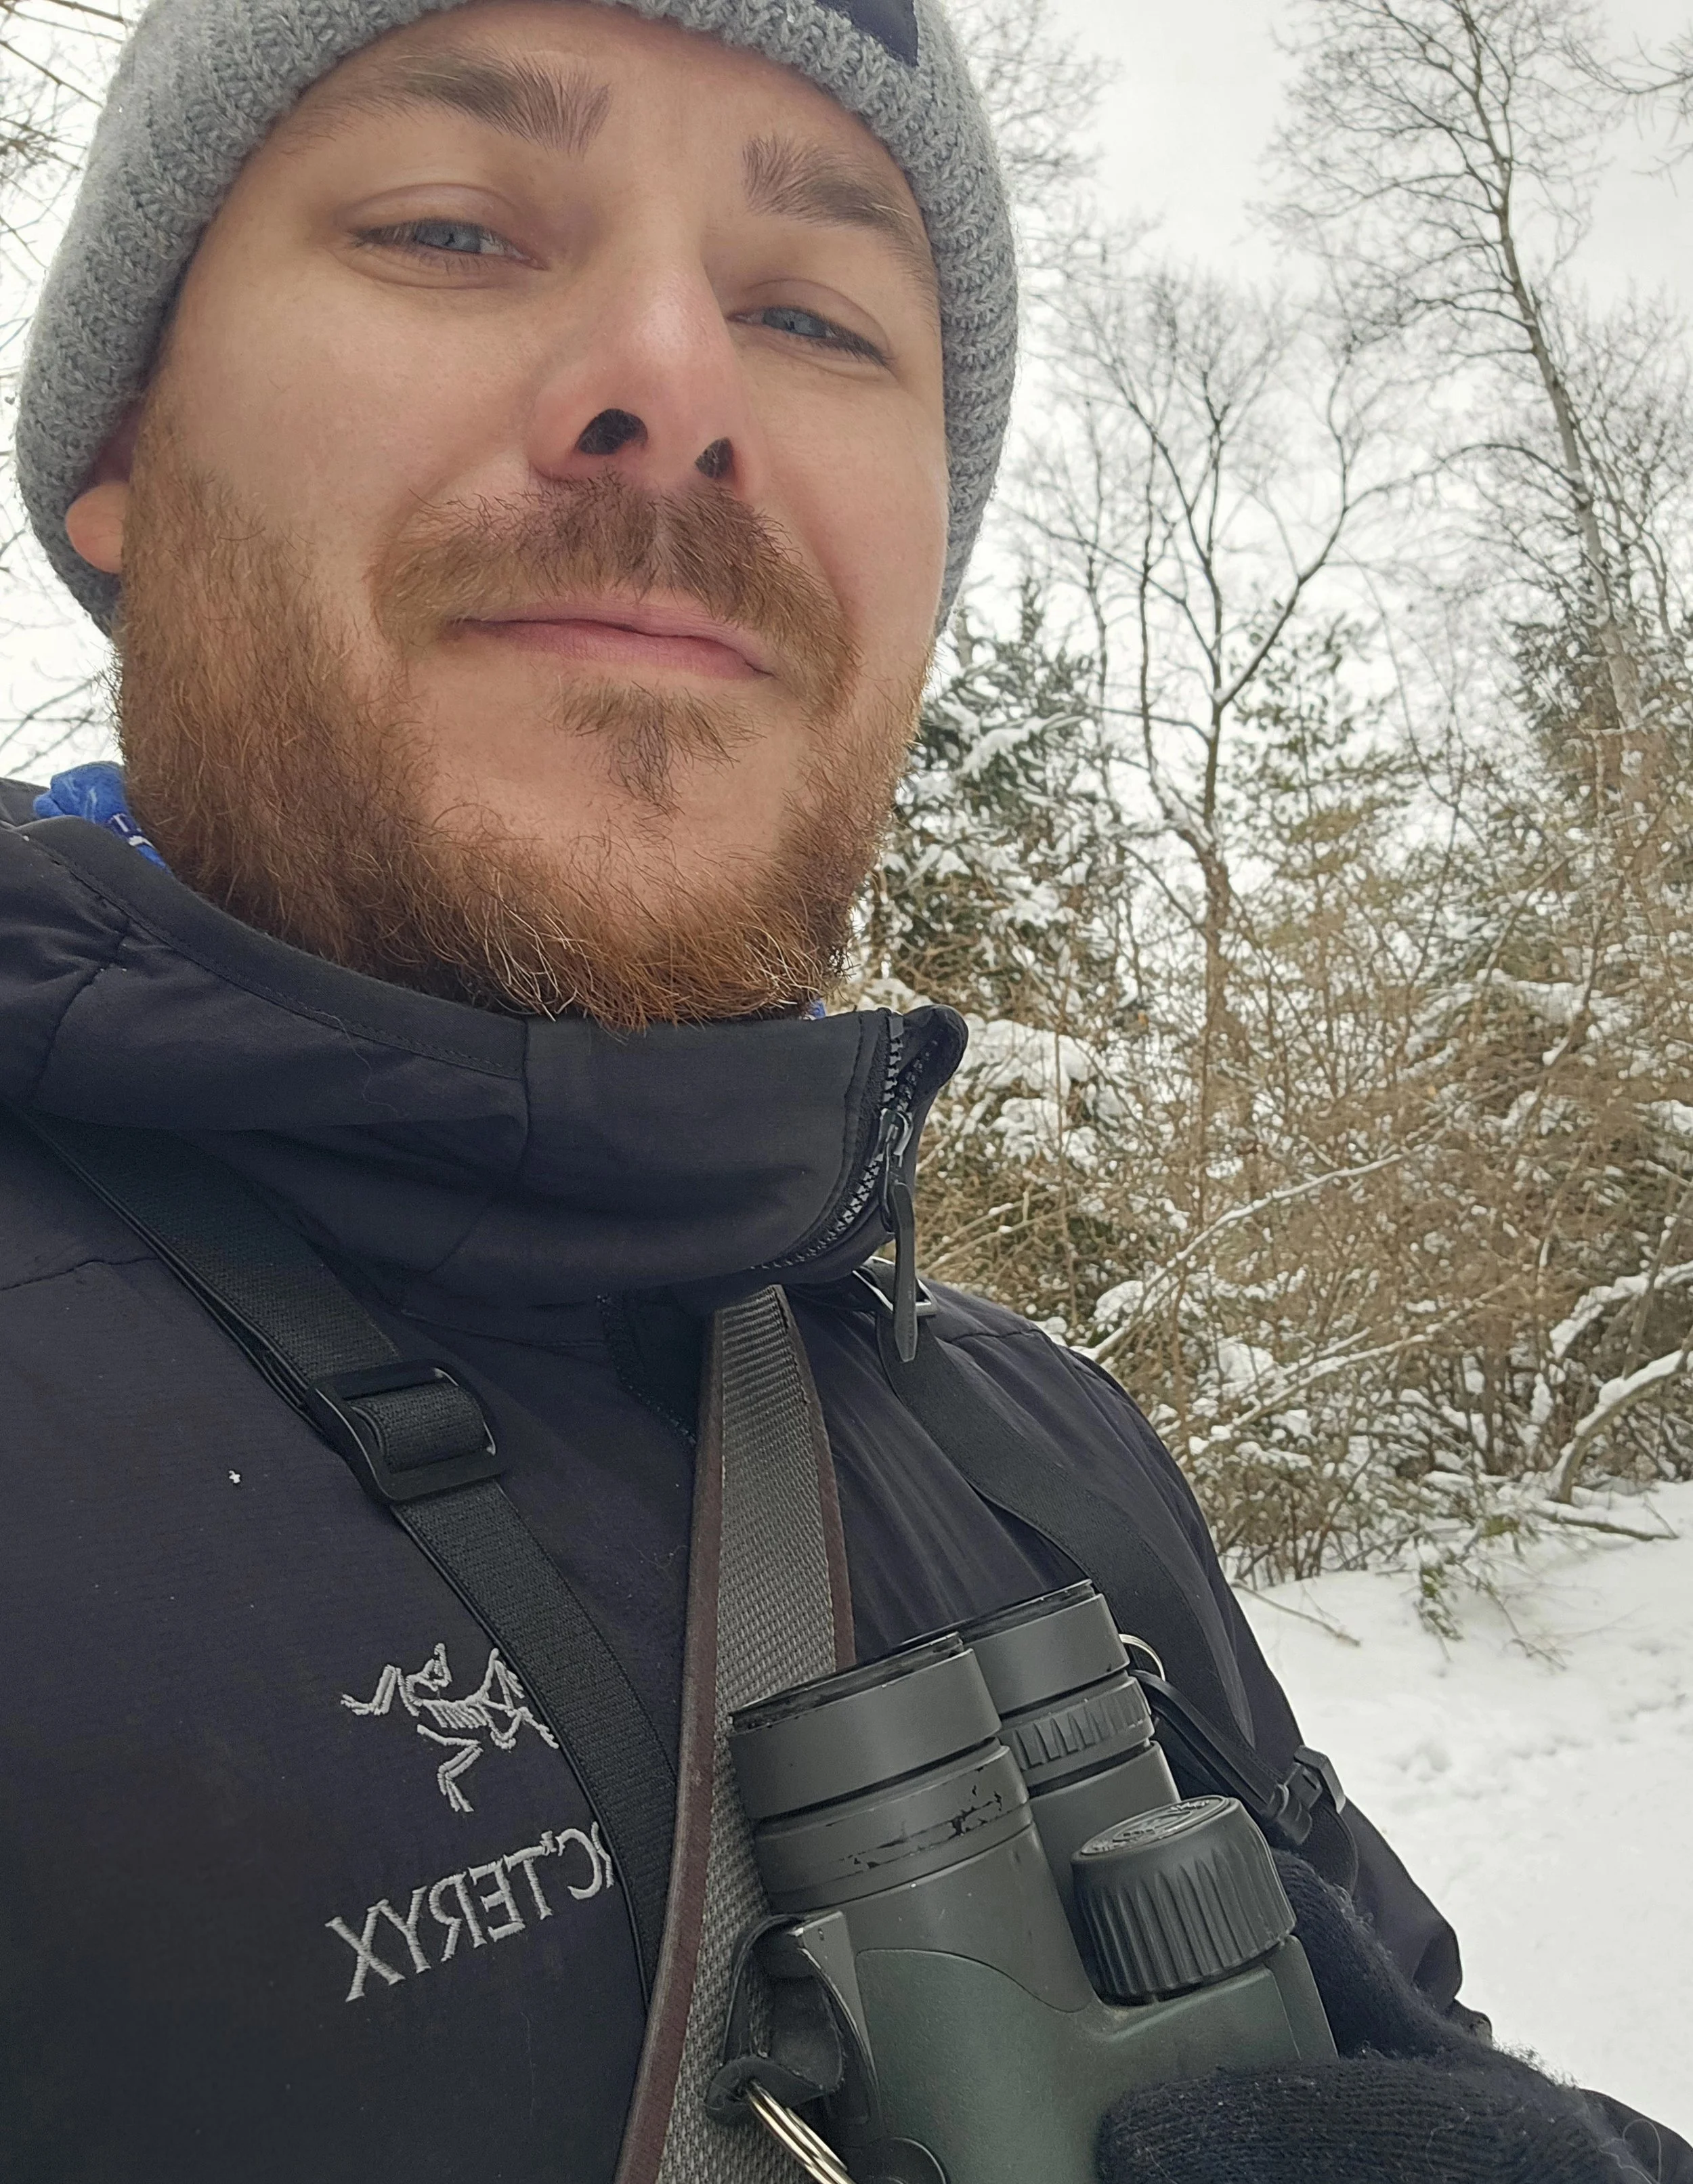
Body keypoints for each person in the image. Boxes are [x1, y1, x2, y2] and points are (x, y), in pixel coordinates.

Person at [0, 2, 1681, 2179]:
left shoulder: (1034, 1442)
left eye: (810, 315)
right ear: (121, 450)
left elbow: (1412, 2032)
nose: (674, 382)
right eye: (448, 229)